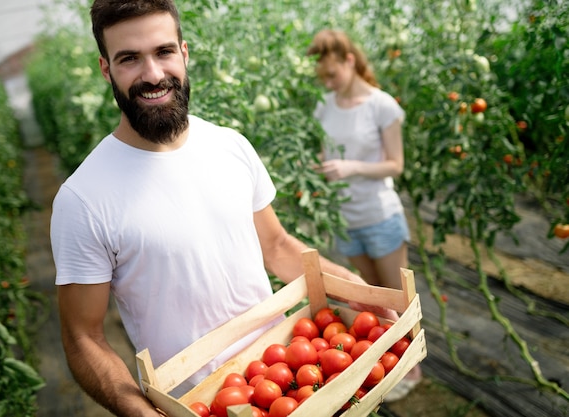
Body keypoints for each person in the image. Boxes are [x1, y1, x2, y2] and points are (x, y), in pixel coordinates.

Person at [50, 2, 392, 416]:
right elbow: (83, 336)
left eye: (163, 52)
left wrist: (356, 289)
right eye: (129, 59)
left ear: (184, 52)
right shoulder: (83, 199)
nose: (153, 74)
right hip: (194, 403)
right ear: (106, 69)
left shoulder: (230, 145)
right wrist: (135, 408)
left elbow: (278, 246)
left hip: (285, 377)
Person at [306, 29, 422, 401]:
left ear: (350, 61)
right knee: (373, 301)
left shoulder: (382, 105)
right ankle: (388, 363)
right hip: (346, 220)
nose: (328, 82)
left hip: (380, 216)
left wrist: (351, 167)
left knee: (396, 297)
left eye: (332, 75)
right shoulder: (324, 106)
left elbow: (396, 164)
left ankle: (413, 366)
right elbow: (328, 157)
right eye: (322, 77)